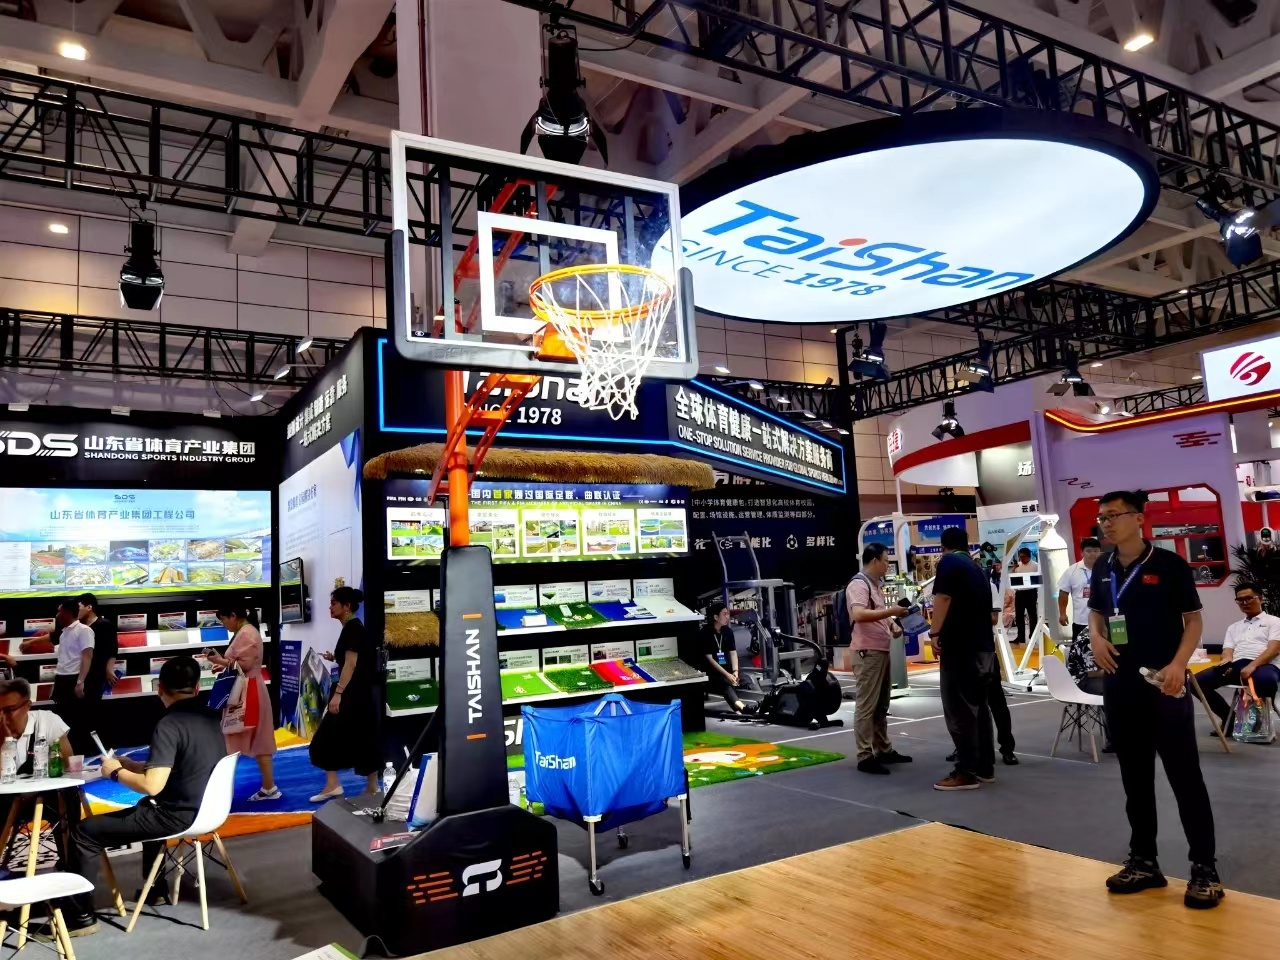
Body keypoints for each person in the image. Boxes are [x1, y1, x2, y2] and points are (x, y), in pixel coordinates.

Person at [1088, 490, 1221, 909]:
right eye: (1102, 518)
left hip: (1164, 684)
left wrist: (1180, 664)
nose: (1107, 524)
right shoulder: (1103, 566)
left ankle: (1204, 869)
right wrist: (1095, 637)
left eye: (1114, 515)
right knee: (1135, 778)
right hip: (1120, 685)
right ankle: (1144, 861)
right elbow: (1096, 612)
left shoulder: (1169, 565)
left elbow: (1193, 620)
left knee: (1185, 778)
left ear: (1139, 519)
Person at [58, 656, 227, 936]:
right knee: (147, 805)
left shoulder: (169, 724)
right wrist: (134, 766)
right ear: (197, 687)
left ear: (159, 688)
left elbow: (152, 786)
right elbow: (182, 767)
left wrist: (115, 772)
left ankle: (80, 917)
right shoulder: (210, 717)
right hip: (209, 810)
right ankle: (156, 889)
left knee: (84, 832)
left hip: (176, 816)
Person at [930, 527, 999, 790]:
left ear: (943, 546)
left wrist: (935, 632)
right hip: (982, 647)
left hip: (960, 648)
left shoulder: (949, 562)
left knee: (959, 710)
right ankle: (984, 768)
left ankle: (966, 771)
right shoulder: (976, 568)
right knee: (980, 708)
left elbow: (943, 597)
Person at [309, 587, 381, 803]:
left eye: (334, 603)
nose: (330, 607)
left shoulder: (352, 629)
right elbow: (354, 659)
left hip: (351, 695)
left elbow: (351, 664)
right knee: (364, 736)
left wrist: (338, 693)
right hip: (360, 694)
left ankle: (334, 784)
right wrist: (335, 657)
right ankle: (372, 786)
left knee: (323, 739)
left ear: (346, 605)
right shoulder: (353, 627)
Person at [848, 543, 911, 774]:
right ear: (874, 560)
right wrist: (892, 612)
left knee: (881, 705)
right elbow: (859, 614)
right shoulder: (859, 584)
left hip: (880, 650)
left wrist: (892, 624)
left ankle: (883, 749)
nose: (888, 565)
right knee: (866, 706)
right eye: (885, 560)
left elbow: (877, 611)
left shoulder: (875, 585)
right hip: (867, 652)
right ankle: (865, 756)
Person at [205, 606, 279, 801]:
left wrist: (221, 661)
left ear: (233, 615)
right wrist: (222, 663)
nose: (223, 624)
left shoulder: (246, 633)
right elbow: (241, 663)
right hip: (248, 688)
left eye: (223, 619)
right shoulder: (247, 631)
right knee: (257, 739)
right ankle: (268, 787)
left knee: (237, 737)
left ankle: (227, 788)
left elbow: (244, 665)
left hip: (248, 691)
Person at [1196, 582, 1280, 736]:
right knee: (1196, 682)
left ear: (1260, 599)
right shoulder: (1234, 627)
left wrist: (1253, 665)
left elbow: (1274, 649)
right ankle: (1229, 719)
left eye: (1249, 598)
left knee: (1265, 681)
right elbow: (1228, 650)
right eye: (1240, 600)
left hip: (1265, 664)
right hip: (1237, 665)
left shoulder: (1274, 622)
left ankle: (1257, 726)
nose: (1244, 603)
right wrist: (1226, 661)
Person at [51, 600, 95, 754]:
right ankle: (67, 753)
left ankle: (80, 753)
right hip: (61, 679)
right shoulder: (64, 632)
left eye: (60, 612)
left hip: (73, 679)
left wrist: (80, 681)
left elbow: (87, 656)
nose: (57, 615)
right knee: (62, 719)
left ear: (68, 613)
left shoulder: (84, 630)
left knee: (76, 719)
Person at [77, 593, 118, 754]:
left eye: (79, 607)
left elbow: (112, 650)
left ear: (89, 607)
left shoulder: (104, 625)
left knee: (93, 713)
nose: (77, 610)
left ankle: (99, 749)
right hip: (80, 675)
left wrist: (108, 669)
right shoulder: (79, 627)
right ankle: (84, 748)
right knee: (82, 714)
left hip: (96, 676)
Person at [1058, 539, 1102, 649]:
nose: (1092, 554)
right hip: (1081, 621)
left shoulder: (1107, 569)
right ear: (1082, 552)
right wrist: (1062, 613)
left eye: (1096, 551)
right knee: (1079, 651)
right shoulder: (1072, 571)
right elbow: (1063, 592)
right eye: (1089, 551)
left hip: (1104, 620)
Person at [1011, 547, 1040, 645]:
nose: (1021, 559)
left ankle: (1032, 636)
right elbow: (1012, 577)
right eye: (1020, 557)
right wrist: (1014, 568)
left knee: (1032, 615)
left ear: (1028, 556)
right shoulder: (1018, 565)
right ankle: (1020, 637)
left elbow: (1039, 579)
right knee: (1019, 616)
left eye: (1023, 557)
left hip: (1031, 592)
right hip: (1020, 592)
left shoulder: (1035, 566)